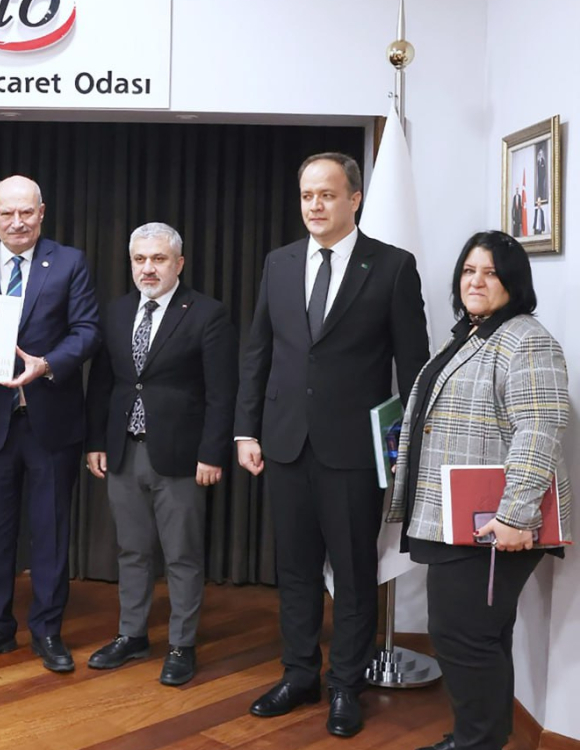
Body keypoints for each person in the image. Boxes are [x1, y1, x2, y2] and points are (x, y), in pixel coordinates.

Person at [233, 152, 429, 737]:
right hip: (285, 442)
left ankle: (346, 684)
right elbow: (258, 352)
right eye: (306, 196)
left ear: (354, 199)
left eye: (326, 194)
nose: (314, 206)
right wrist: (246, 429)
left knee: (353, 573)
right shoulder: (279, 262)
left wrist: (409, 449)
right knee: (294, 570)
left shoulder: (392, 266)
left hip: (354, 451)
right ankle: (299, 675)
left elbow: (413, 365)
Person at [387, 231, 570, 750]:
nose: (476, 281)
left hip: (493, 523)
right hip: (458, 519)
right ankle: (481, 738)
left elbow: (540, 429)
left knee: (462, 636)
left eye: (490, 272)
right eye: (469, 270)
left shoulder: (526, 339)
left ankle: (478, 742)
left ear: (514, 281)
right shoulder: (473, 334)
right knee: (477, 635)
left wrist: (515, 515)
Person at [0, 175, 101, 673]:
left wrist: (46, 364)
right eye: (7, 213)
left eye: (26, 212)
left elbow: (88, 331)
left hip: (51, 419)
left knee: (50, 530)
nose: (17, 222)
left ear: (41, 212)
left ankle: (47, 630)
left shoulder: (70, 262)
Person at [84, 222, 237, 685]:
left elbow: (221, 392)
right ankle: (132, 635)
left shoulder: (207, 313)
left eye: (158, 259)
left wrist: (212, 453)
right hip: (123, 451)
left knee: (182, 556)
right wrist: (96, 441)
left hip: (181, 457)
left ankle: (181, 645)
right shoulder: (116, 312)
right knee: (131, 550)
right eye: (140, 259)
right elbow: (103, 383)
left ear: (179, 263)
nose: (148, 269)